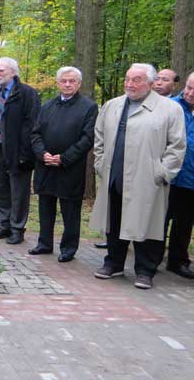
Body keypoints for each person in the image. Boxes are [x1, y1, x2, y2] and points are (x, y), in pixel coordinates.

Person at [89, 63, 186, 289]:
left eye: (137, 79)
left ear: (151, 84)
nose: (129, 84)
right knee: (114, 221)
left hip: (147, 178)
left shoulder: (169, 109)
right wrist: (102, 164)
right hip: (115, 174)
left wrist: (161, 172)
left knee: (148, 224)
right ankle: (113, 263)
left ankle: (145, 270)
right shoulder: (113, 106)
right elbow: (99, 138)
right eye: (127, 78)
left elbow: (177, 146)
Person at [29, 67, 98, 262]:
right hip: (45, 165)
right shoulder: (48, 106)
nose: (67, 84)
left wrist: (64, 158)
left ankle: (68, 248)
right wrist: (42, 154)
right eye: (64, 81)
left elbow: (88, 137)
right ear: (58, 83)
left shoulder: (88, 107)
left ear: (79, 83)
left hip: (70, 167)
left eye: (72, 81)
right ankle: (44, 243)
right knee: (45, 206)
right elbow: (35, 133)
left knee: (70, 210)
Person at [0, 57, 40, 245]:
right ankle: (4, 225)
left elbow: (33, 125)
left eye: (1, 70)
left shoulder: (27, 94)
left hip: (19, 151)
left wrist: (26, 154)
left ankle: (17, 228)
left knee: (18, 192)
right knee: (0, 189)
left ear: (13, 72)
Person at [165, 71, 194, 279]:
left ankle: (177, 260)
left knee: (184, 223)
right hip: (168, 175)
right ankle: (151, 257)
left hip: (191, 178)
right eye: (189, 87)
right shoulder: (171, 107)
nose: (190, 93)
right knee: (160, 219)